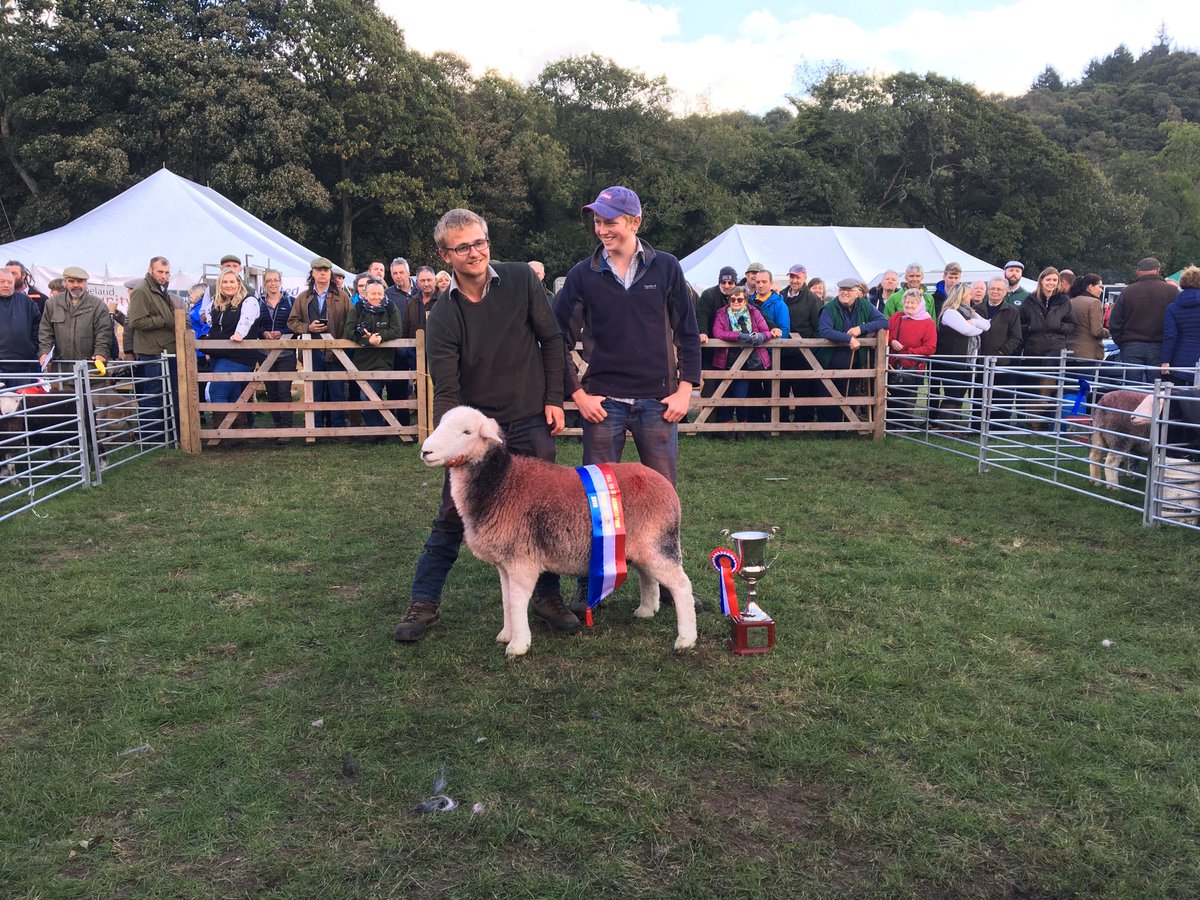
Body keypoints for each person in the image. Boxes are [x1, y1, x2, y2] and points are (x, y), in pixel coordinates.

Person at [394, 207, 575, 642]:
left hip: (530, 417)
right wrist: (450, 442)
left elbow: (551, 339)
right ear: (445, 255)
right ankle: (424, 601)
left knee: (541, 511)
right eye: (462, 247)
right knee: (452, 514)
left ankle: (546, 597)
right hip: (476, 435)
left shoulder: (520, 280)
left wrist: (554, 399)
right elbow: (449, 389)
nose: (474, 252)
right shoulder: (442, 315)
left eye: (479, 242)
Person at [553, 185, 700, 614]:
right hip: (603, 403)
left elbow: (688, 333)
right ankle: (589, 586)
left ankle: (672, 585)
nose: (602, 230)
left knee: (663, 498)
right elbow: (556, 338)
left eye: (610, 221)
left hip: (659, 402)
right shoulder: (583, 274)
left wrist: (685, 389)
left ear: (636, 222)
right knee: (595, 499)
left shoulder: (667, 268)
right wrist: (577, 393)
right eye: (597, 222)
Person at [287, 257, 350, 432]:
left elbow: (350, 323)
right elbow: (292, 322)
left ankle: (339, 428)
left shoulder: (342, 297)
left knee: (337, 391)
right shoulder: (303, 297)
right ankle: (314, 428)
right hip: (311, 351)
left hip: (336, 351)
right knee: (314, 391)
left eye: (326, 270)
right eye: (319, 270)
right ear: (313, 273)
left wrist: (340, 345)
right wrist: (309, 327)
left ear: (330, 274)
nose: (322, 273)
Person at [816, 277, 888, 427]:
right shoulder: (829, 308)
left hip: (854, 360)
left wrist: (860, 329)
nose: (845, 293)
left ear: (857, 292)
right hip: (830, 360)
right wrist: (848, 339)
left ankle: (844, 427)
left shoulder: (864, 305)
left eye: (849, 290)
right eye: (842, 290)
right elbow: (825, 330)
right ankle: (828, 428)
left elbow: (883, 321)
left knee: (848, 392)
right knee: (828, 394)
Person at [127, 256, 180, 442]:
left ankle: (163, 436)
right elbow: (135, 321)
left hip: (163, 349)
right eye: (160, 272)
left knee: (163, 396)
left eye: (166, 273)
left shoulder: (159, 290)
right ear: (150, 270)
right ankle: (152, 439)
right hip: (151, 351)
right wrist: (163, 320)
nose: (164, 276)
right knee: (152, 397)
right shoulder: (142, 290)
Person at [200, 270, 261, 434]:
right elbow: (210, 322)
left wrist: (239, 333)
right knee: (233, 393)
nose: (228, 285)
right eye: (224, 282)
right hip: (219, 353)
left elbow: (246, 320)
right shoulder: (214, 302)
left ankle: (221, 433)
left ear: (239, 283)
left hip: (239, 355)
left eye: (232, 282)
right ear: (219, 285)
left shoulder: (249, 301)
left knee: (216, 391)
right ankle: (237, 433)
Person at [344, 277, 403, 439]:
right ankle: (378, 429)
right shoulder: (357, 309)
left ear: (383, 293)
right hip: (362, 361)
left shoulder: (391, 308)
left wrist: (379, 337)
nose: (376, 297)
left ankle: (376, 431)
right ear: (365, 294)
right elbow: (348, 331)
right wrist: (366, 340)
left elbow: (397, 331)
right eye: (373, 294)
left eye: (379, 293)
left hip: (383, 360)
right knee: (367, 396)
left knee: (368, 395)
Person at [1019, 266, 1076, 428]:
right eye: (1048, 279)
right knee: (1032, 384)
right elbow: (1020, 324)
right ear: (1041, 281)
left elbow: (1072, 325)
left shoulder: (1064, 301)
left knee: (1049, 382)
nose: (1051, 283)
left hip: (1055, 346)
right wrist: (1030, 328)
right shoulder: (1029, 300)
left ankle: (1040, 420)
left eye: (1054, 280)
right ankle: (1029, 422)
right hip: (1034, 348)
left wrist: (1058, 326)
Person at [1108, 257, 1181, 380]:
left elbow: (1114, 322)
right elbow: (1179, 321)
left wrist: (1122, 343)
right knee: (1156, 390)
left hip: (1131, 345)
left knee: (1133, 390)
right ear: (1158, 270)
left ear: (1138, 271)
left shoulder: (1127, 292)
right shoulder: (1173, 291)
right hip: (1160, 346)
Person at [931, 284, 990, 430]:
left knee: (959, 394)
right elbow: (966, 330)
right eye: (969, 293)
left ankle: (954, 428)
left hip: (965, 361)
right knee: (953, 394)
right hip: (951, 361)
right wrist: (977, 328)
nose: (971, 296)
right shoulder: (950, 312)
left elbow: (987, 325)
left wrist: (974, 323)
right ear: (962, 295)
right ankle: (945, 428)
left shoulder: (969, 312)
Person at [711, 284, 771, 427]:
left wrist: (761, 336)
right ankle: (728, 427)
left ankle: (742, 426)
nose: (736, 302)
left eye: (740, 299)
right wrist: (739, 336)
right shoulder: (721, 313)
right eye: (733, 299)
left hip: (747, 361)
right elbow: (717, 332)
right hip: (725, 360)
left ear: (745, 301)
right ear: (729, 300)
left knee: (741, 395)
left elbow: (766, 331)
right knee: (724, 395)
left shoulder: (754, 313)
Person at [37, 266, 112, 373]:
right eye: (71, 281)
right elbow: (45, 332)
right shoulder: (52, 304)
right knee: (62, 390)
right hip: (61, 369)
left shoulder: (98, 305)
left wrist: (100, 352)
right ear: (65, 283)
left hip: (90, 368)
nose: (76, 285)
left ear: (86, 282)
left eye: (80, 281)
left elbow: (104, 332)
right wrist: (44, 352)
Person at [974, 277, 1023, 425]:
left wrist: (1001, 353)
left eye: (999, 289)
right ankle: (977, 425)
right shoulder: (976, 309)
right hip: (980, 363)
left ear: (1006, 291)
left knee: (1000, 396)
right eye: (992, 289)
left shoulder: (1012, 312)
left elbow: (1016, 337)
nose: (995, 292)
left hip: (1001, 363)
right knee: (978, 396)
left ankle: (998, 426)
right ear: (988, 290)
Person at [886, 288, 937, 428]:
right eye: (907, 302)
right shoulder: (897, 317)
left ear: (919, 304)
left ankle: (902, 425)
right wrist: (891, 341)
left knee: (905, 396)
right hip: (892, 364)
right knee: (891, 395)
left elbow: (930, 347)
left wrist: (909, 352)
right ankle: (890, 424)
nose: (909, 305)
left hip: (912, 365)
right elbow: (884, 330)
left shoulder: (928, 322)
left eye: (913, 303)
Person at [780, 263, 823, 422]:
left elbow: (818, 327)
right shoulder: (780, 296)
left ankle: (803, 424)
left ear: (805, 278)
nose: (794, 280)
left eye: (797, 277)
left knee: (803, 388)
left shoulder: (812, 300)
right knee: (780, 388)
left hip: (802, 352)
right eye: (792, 277)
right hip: (781, 351)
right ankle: (780, 422)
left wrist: (811, 348)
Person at [257, 268, 296, 442]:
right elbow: (253, 325)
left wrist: (282, 332)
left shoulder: (290, 301)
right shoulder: (258, 303)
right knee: (271, 390)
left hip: (286, 352)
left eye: (275, 280)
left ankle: (287, 428)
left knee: (284, 389)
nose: (272, 283)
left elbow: (296, 325)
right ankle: (277, 426)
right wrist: (263, 333)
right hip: (264, 352)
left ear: (281, 282)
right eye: (268, 280)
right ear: (264, 284)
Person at [0, 268, 41, 387]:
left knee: (22, 402)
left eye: (10, 282)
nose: (6, 285)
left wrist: (32, 347)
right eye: (2, 282)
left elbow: (38, 325)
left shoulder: (25, 301)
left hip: (23, 366)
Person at [1161, 266, 1200, 387]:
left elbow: (1170, 335)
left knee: (1175, 400)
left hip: (1179, 360)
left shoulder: (1172, 308)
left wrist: (1165, 361)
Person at [1067, 274, 1109, 379]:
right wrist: (1108, 332)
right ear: (1090, 286)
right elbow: (1096, 331)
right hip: (1087, 355)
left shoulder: (1072, 301)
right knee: (1083, 389)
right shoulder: (1095, 303)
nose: (1101, 290)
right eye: (1100, 287)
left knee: (1068, 389)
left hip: (1069, 353)